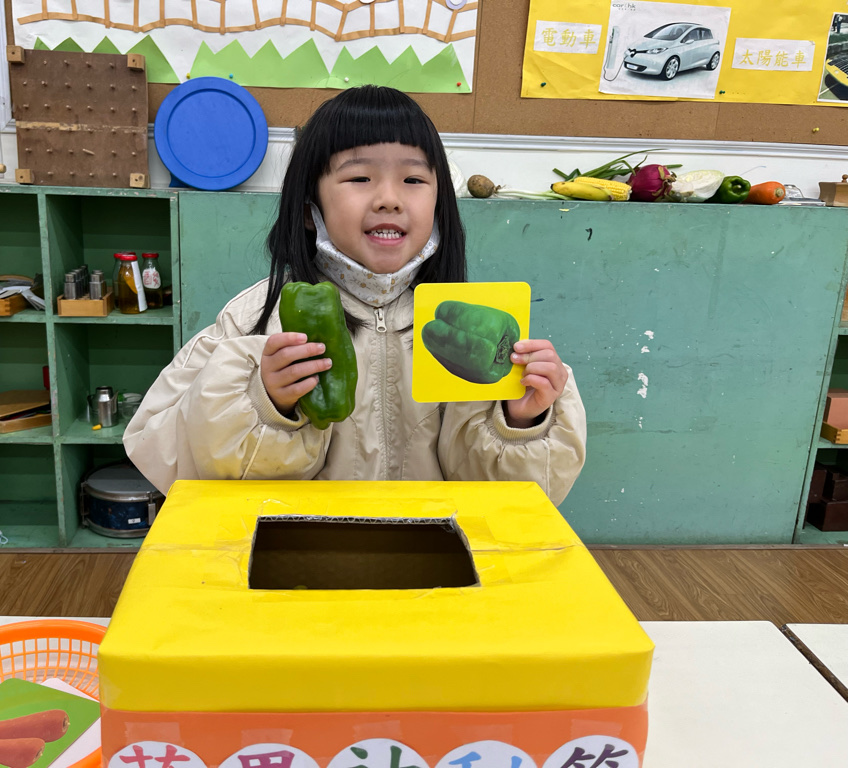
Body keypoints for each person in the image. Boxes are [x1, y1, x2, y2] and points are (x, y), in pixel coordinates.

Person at [124, 86, 586, 505]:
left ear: (439, 204)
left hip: (432, 552)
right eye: (360, 178)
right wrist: (265, 405)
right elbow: (160, 448)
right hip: (304, 557)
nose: (389, 198)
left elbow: (500, 496)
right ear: (309, 210)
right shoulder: (254, 319)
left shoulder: (475, 321)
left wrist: (520, 421)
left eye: (413, 180)